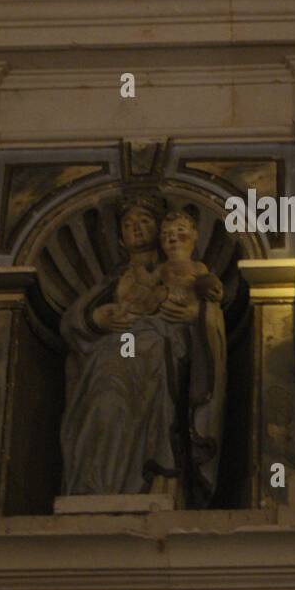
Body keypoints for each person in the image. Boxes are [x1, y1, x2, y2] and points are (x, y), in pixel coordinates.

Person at [58, 193, 227, 506]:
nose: (136, 228)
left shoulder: (187, 269)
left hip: (164, 355)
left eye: (145, 222)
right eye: (128, 224)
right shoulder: (114, 279)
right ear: (120, 238)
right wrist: (97, 318)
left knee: (156, 373)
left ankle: (157, 487)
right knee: (106, 397)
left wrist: (196, 317)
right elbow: (71, 323)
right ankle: (97, 486)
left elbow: (211, 305)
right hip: (116, 354)